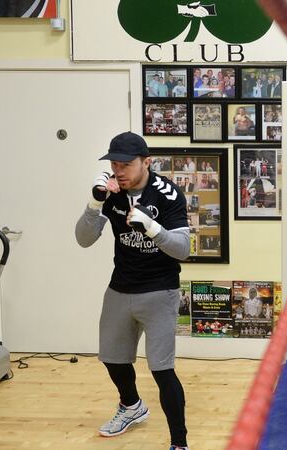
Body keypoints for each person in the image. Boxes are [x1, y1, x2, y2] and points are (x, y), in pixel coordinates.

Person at [74, 132, 191, 450]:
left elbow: (183, 249)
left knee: (162, 370)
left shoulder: (167, 194)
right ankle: (131, 406)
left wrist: (152, 228)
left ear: (147, 162)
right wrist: (95, 200)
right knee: (112, 358)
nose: (119, 170)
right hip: (121, 287)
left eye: (126, 164)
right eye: (114, 163)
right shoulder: (111, 191)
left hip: (160, 290)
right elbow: (84, 239)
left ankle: (179, 443)